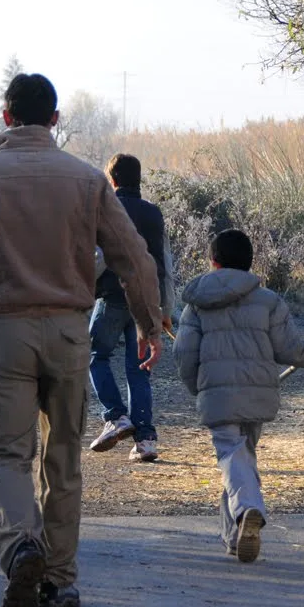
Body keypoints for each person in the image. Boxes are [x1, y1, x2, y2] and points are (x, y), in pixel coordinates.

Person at [0, 72, 163, 607]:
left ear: (6, 117)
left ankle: (20, 548)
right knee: (63, 458)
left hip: (3, 332)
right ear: (55, 119)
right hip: (67, 333)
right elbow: (134, 257)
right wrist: (149, 324)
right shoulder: (86, 180)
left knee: (7, 455)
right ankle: (58, 578)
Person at [172, 229, 304, 563]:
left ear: (213, 262)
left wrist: (198, 388)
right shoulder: (269, 300)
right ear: (250, 263)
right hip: (259, 395)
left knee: (232, 456)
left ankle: (247, 509)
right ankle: (234, 536)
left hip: (218, 396)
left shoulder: (196, 305)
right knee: (242, 458)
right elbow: (288, 349)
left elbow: (185, 354)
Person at [87, 153, 176, 462]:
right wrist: (163, 308)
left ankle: (115, 416)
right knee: (139, 369)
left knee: (96, 355)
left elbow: (97, 256)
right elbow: (164, 262)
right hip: (146, 300)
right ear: (139, 180)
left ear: (112, 180)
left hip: (112, 296)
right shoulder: (154, 213)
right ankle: (146, 440)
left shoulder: (106, 208)